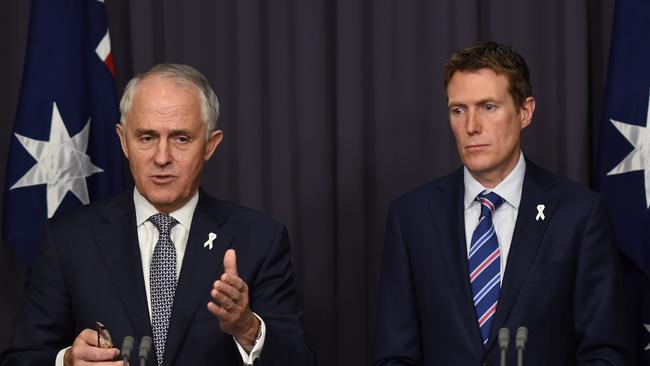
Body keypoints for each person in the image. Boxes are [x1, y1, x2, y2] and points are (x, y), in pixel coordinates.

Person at [1, 64, 314, 366]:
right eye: (147, 138)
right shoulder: (68, 240)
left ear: (210, 145)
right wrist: (67, 361)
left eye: (181, 139)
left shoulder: (260, 239)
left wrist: (247, 329)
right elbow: (21, 357)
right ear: (124, 141)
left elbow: (299, 360)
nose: (162, 158)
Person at [371, 42, 630, 365]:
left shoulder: (580, 214)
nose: (471, 127)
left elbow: (605, 351)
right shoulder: (411, 218)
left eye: (488, 107)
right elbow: (393, 355)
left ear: (525, 112)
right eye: (458, 110)